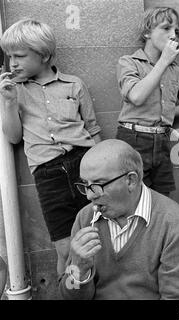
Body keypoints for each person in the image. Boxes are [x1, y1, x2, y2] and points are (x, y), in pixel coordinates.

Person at [0, 19, 101, 275]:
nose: (12, 63)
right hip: (48, 176)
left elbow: (93, 130)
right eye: (9, 56)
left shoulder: (73, 84)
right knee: (65, 249)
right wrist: (9, 103)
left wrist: (101, 172)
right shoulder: (15, 91)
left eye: (19, 56)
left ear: (44, 55)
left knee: (97, 238)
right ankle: (69, 291)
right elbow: (13, 138)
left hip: (84, 164)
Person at [59, 139, 179, 300]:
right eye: (85, 184)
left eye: (98, 184)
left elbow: (178, 297)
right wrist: (78, 269)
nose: (90, 195)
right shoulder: (85, 218)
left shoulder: (174, 223)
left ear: (131, 181)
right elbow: (68, 296)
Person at [116, 6, 179, 197]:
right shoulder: (128, 62)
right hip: (134, 138)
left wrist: (165, 112)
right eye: (166, 28)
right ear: (147, 32)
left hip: (162, 140)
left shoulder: (176, 71)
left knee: (161, 200)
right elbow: (136, 96)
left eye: (176, 31)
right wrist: (164, 61)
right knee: (133, 199)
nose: (173, 35)